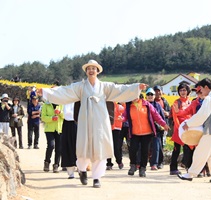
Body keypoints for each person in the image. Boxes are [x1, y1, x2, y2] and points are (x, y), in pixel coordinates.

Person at [37, 59, 147, 188]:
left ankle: (96, 177)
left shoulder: (105, 87)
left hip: (101, 122)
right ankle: (82, 170)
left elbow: (120, 89)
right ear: (86, 71)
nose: (91, 70)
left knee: (99, 148)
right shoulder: (80, 87)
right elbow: (65, 91)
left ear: (97, 71)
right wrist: (45, 92)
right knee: (83, 147)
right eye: (89, 68)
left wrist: (136, 87)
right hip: (85, 121)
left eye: (93, 68)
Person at [177, 78, 211, 183]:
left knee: (200, 152)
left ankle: (190, 174)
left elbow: (202, 115)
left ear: (206, 87)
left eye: (201, 89)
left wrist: (189, 123)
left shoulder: (209, 99)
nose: (200, 92)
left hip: (210, 130)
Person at [123, 95, 169, 177]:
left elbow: (156, 115)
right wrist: (121, 118)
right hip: (134, 133)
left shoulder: (147, 104)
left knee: (145, 152)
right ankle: (133, 165)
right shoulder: (129, 106)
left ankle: (142, 168)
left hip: (147, 133)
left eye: (136, 94)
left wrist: (164, 124)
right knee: (133, 150)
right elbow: (125, 116)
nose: (135, 97)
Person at [169, 83, 192, 175]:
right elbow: (175, 117)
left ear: (188, 91)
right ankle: (173, 168)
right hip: (179, 129)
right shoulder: (176, 102)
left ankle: (188, 167)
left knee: (188, 149)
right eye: (181, 90)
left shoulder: (190, 102)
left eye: (184, 90)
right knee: (176, 149)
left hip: (189, 128)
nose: (183, 92)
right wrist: (180, 129)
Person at [145, 88, 166, 170]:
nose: (150, 96)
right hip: (145, 129)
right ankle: (141, 163)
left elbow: (161, 116)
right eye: (148, 94)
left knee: (157, 147)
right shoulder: (143, 105)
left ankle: (155, 163)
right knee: (144, 147)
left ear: (154, 96)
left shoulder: (157, 105)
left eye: (151, 94)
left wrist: (163, 126)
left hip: (156, 129)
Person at [41, 98, 64, 173]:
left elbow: (66, 116)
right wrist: (51, 118)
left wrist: (60, 112)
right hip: (49, 129)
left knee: (59, 148)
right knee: (51, 145)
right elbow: (43, 117)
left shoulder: (62, 104)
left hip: (59, 129)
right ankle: (47, 162)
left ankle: (56, 165)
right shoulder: (46, 104)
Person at [106, 102, 126, 170]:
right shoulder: (106, 104)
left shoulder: (119, 105)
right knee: (108, 146)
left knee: (116, 146)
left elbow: (125, 112)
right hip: (107, 127)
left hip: (117, 128)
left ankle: (119, 161)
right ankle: (109, 163)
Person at [60, 103, 77, 179]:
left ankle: (81, 169)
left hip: (78, 123)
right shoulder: (66, 100)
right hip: (67, 124)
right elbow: (66, 113)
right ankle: (70, 172)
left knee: (79, 146)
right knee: (67, 146)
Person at [153, 85, 171, 149]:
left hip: (164, 125)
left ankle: (160, 158)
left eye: (159, 91)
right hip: (155, 126)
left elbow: (170, 111)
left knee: (162, 143)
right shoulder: (152, 102)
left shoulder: (165, 101)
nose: (157, 93)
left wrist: (168, 113)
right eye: (156, 91)